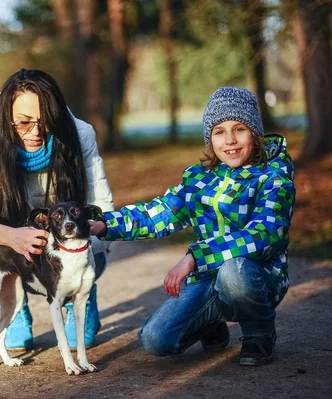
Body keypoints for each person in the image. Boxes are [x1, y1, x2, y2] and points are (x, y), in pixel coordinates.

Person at [90, 86, 295, 366]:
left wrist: (195, 257)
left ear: (255, 132)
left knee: (233, 271)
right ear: (210, 139)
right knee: (155, 339)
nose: (230, 140)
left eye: (239, 129)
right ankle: (210, 323)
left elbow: (263, 234)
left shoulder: (274, 177)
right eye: (219, 131)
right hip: (209, 280)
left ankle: (258, 333)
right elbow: (158, 213)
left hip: (255, 277)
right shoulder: (199, 178)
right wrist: (104, 224)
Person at [0, 69, 114, 351]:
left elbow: (104, 209)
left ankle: (82, 296)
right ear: (7, 120)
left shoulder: (80, 137)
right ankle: (14, 304)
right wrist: (5, 234)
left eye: (45, 122)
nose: (36, 132)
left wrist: (74, 243)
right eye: (23, 122)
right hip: (14, 248)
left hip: (68, 245)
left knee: (94, 255)